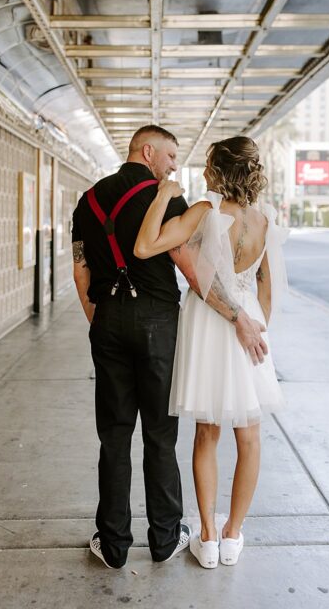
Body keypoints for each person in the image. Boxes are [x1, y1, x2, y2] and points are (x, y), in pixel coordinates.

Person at [72, 125, 269, 569]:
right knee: (161, 436)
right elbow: (193, 270)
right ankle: (165, 539)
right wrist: (239, 318)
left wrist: (102, 321)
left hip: (107, 319)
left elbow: (80, 270)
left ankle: (114, 544)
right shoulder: (173, 199)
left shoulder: (89, 200)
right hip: (158, 324)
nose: (175, 165)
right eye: (172, 155)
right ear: (149, 151)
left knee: (114, 435)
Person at [134, 135, 286, 569]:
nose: (201, 172)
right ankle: (233, 534)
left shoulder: (204, 211)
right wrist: (256, 330)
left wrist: (164, 195)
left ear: (219, 171)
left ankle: (207, 538)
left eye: (207, 165)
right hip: (251, 326)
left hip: (208, 323)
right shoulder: (264, 222)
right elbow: (267, 289)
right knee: (250, 435)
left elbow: (145, 246)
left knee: (207, 432)